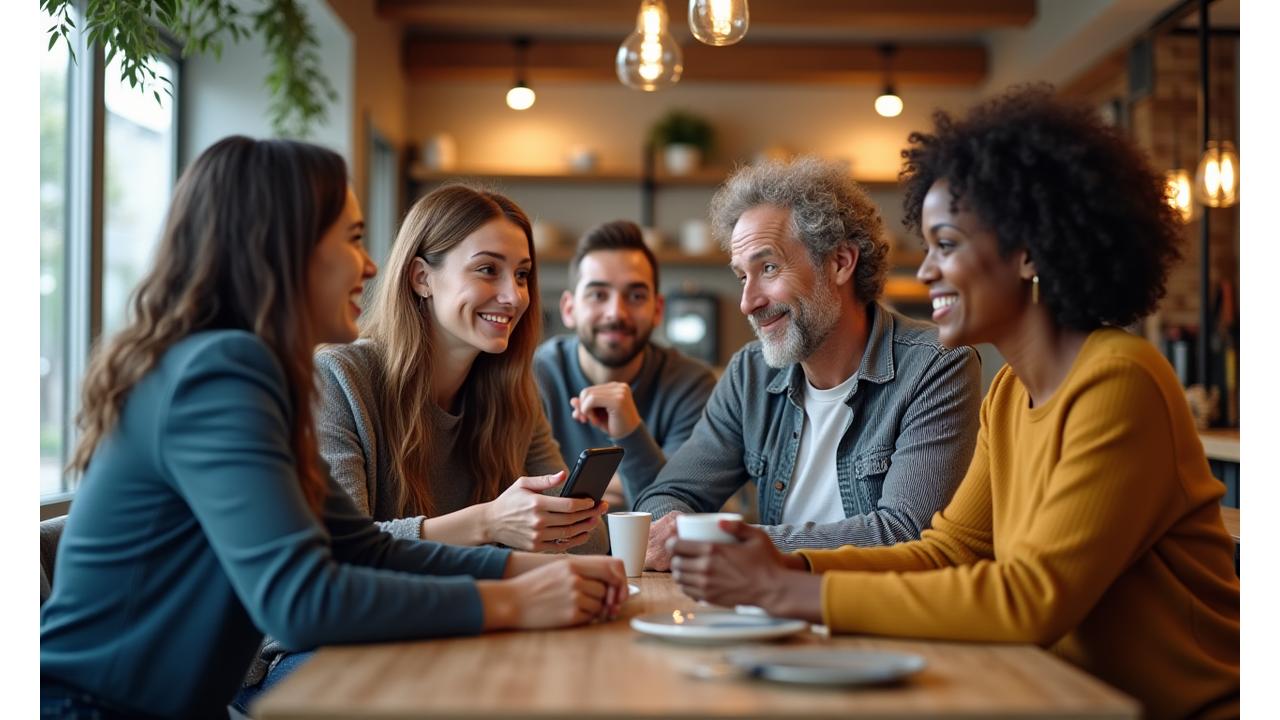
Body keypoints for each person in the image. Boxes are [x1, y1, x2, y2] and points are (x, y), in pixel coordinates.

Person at [667, 87, 1239, 720]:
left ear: (1028, 252)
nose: (929, 269)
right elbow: (945, 551)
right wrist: (786, 558)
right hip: (1054, 693)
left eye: (947, 243)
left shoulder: (1120, 380)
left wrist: (787, 589)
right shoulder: (1009, 392)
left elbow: (1031, 598)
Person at [40, 136, 626, 720]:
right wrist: (513, 600)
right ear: (283, 248)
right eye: (351, 239)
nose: (371, 266)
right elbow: (302, 602)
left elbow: (361, 548)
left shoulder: (255, 374)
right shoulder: (221, 372)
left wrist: (537, 569)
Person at [635, 156, 982, 570]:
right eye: (742, 276)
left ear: (840, 262)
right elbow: (666, 496)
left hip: (879, 619)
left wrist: (724, 540)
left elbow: (907, 534)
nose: (749, 302)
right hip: (773, 615)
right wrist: (681, 528)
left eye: (768, 268)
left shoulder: (937, 366)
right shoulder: (750, 374)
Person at [308, 184, 608, 553]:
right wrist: (489, 523)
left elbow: (589, 541)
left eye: (521, 275)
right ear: (422, 278)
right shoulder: (338, 379)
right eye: (487, 269)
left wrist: (549, 522)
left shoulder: (514, 394)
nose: (514, 296)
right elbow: (339, 546)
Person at [534, 220, 717, 510]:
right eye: (598, 294)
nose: (616, 312)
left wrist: (630, 432)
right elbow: (517, 501)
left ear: (658, 310)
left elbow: (678, 511)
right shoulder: (534, 377)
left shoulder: (692, 386)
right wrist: (622, 491)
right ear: (569, 309)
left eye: (635, 296)